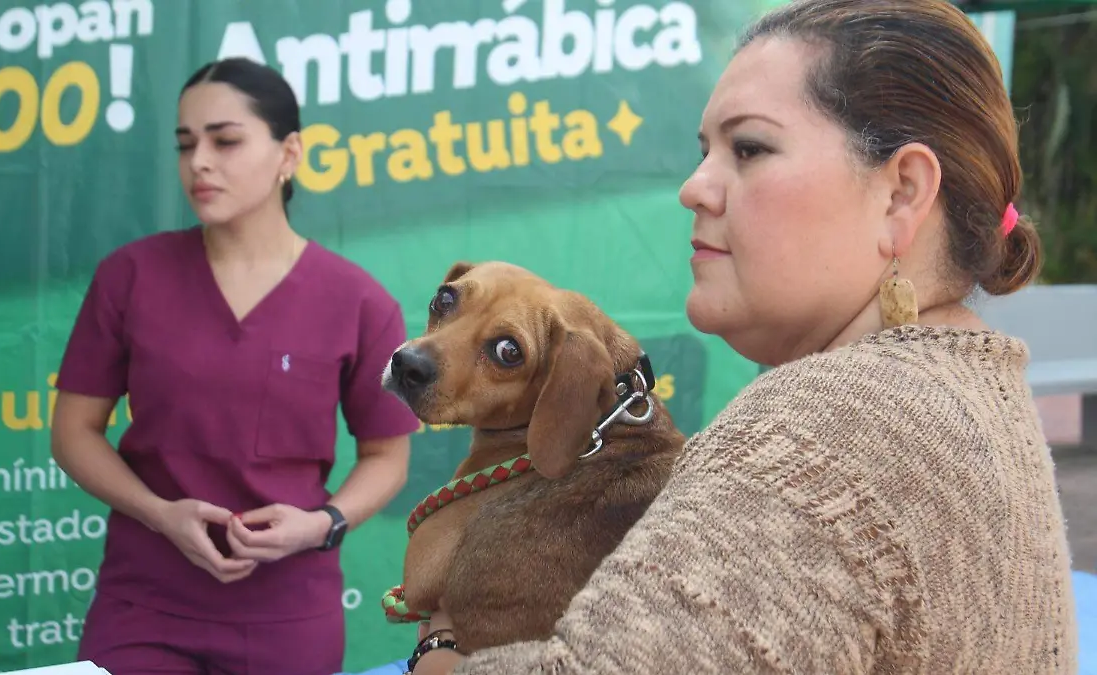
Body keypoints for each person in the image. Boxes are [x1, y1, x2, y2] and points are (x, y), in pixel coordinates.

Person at [408, 0, 1079, 672]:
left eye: (749, 147)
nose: (694, 188)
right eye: (705, 152)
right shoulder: (977, 400)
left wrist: (443, 642)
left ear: (902, 194)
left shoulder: (819, 431)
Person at [50, 57, 421, 675]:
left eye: (225, 141)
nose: (199, 161)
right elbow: (72, 432)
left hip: (287, 615)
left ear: (289, 153)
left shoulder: (358, 301)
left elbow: (388, 457)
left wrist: (321, 525)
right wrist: (160, 514)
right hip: (144, 605)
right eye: (185, 143)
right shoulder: (130, 276)